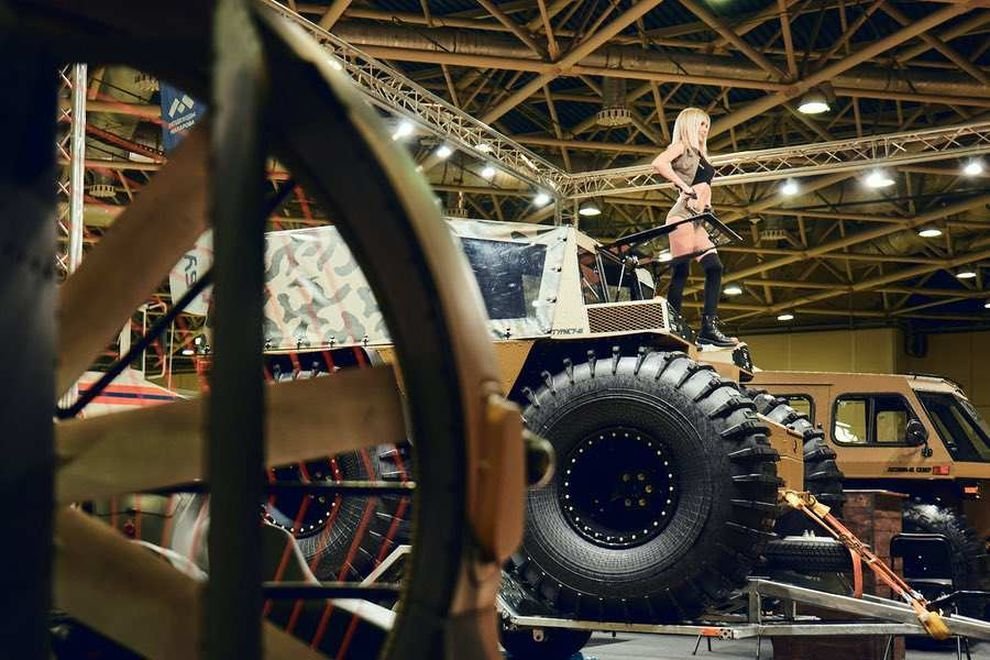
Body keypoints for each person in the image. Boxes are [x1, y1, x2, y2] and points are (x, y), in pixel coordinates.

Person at [650, 107, 737, 348]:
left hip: (697, 219)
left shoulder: (701, 154)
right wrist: (684, 187)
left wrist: (707, 207)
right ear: (689, 125)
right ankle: (673, 325)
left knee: (715, 267)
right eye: (701, 124)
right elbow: (658, 164)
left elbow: (704, 188)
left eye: (707, 125)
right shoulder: (682, 147)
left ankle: (708, 328)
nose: (705, 129)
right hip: (681, 216)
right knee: (682, 270)